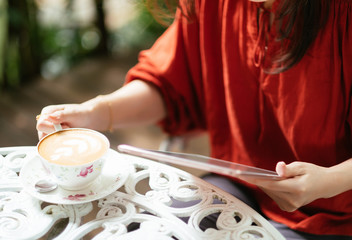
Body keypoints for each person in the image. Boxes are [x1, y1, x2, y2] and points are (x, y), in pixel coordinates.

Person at [36, 0, 352, 239]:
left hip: (337, 217)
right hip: (242, 187)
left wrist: (331, 181)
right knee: (143, 229)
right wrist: (97, 113)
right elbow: (169, 84)